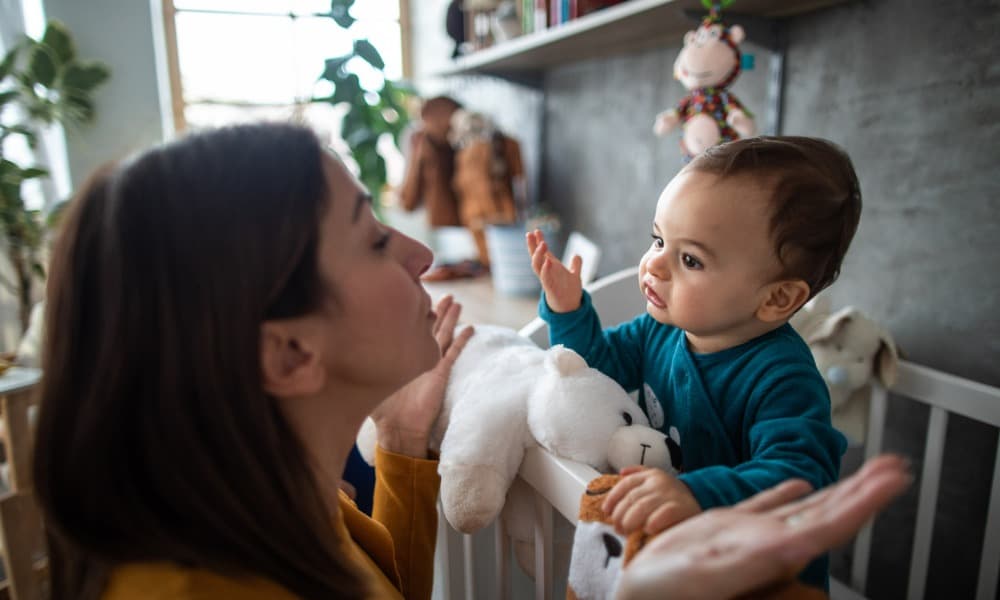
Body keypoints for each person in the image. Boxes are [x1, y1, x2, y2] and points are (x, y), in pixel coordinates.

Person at [32, 122, 474, 600]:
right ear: (288, 354)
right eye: (375, 241)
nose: (422, 255)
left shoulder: (273, 503)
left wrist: (401, 435)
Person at [527, 136, 863, 590]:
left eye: (690, 259)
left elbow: (801, 478)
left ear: (777, 297)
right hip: (681, 563)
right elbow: (594, 371)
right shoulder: (658, 331)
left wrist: (697, 493)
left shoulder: (783, 377)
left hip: (761, 581)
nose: (655, 265)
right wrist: (569, 312)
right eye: (658, 239)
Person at [616, 454, 913, 600]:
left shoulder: (787, 371)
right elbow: (579, 361)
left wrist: (698, 491)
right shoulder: (656, 335)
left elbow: (799, 471)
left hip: (765, 576)